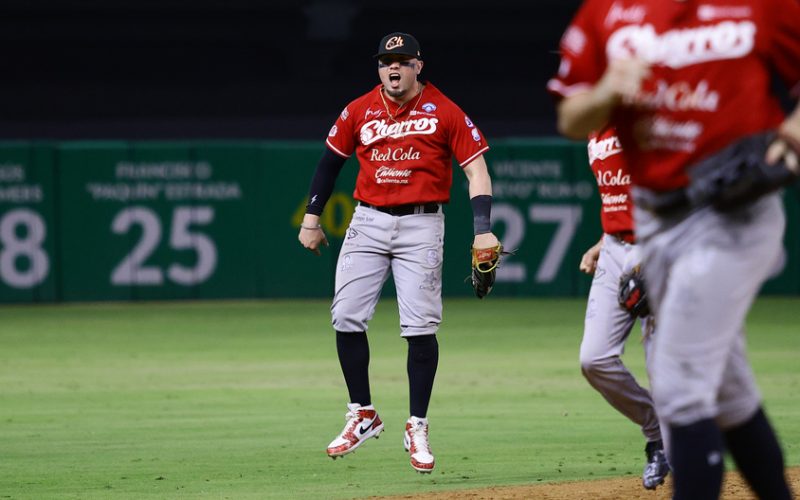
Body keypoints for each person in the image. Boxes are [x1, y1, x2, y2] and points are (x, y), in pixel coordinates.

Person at [549, 1, 800, 498]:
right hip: (656, 220)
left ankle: (661, 444)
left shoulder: (759, 6)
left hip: (732, 212)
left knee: (678, 386)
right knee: (730, 396)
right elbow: (571, 119)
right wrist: (605, 89)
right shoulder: (605, 14)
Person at [298, 32, 500, 474]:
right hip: (367, 221)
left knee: (420, 326)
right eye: (387, 61)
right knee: (345, 316)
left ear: (418, 67)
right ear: (379, 68)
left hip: (422, 224)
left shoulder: (444, 110)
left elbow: (476, 168)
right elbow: (329, 162)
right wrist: (312, 218)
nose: (394, 67)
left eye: (403, 61)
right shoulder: (359, 108)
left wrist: (483, 229)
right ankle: (362, 414)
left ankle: (418, 424)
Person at [578, 125, 669, 490]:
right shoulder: (594, 132)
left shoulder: (648, 120)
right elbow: (620, 196)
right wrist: (602, 242)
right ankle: (657, 430)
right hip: (615, 248)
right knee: (594, 359)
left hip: (659, 244)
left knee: (662, 367)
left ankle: (677, 451)